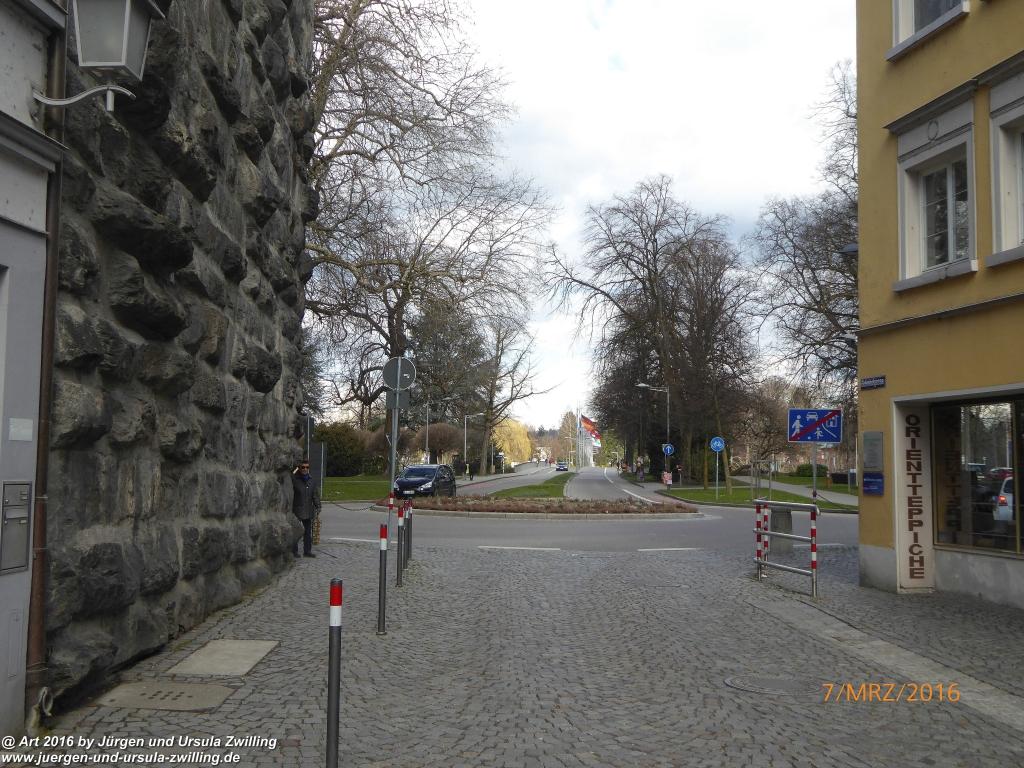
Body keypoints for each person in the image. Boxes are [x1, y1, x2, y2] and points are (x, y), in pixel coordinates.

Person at [292, 458, 320, 558]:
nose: (305, 469)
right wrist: (295, 469)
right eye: (303, 467)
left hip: (308, 509)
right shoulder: (295, 480)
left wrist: (318, 506)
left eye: (307, 467)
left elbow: (315, 495)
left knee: (308, 532)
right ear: (299, 468)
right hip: (297, 509)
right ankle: (294, 551)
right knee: (295, 531)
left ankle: (307, 551)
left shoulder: (311, 481)